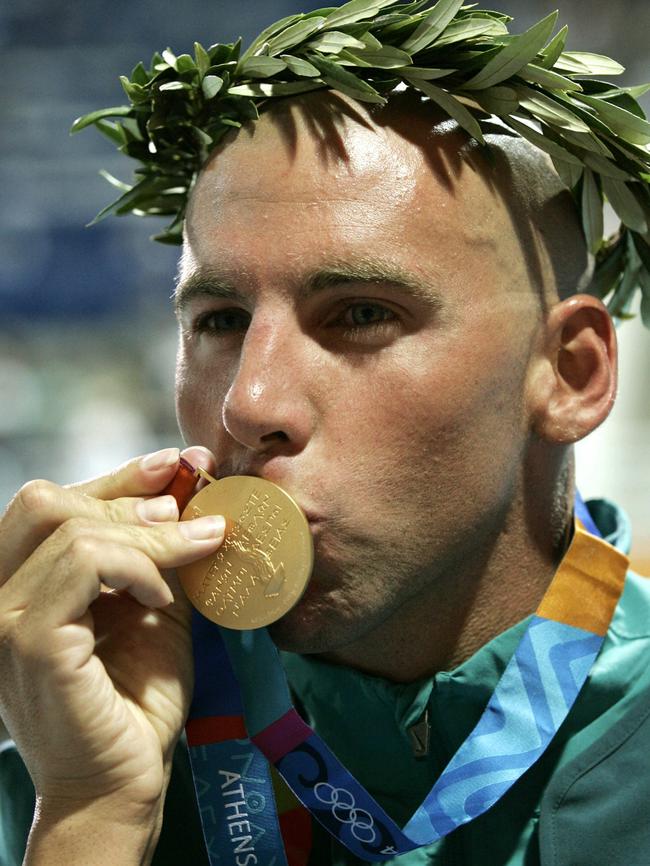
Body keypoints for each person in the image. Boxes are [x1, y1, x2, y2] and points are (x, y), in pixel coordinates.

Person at [1, 11, 650, 866]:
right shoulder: (78, 749)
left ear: (569, 376)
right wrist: (93, 816)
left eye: (362, 315)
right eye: (222, 319)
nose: (248, 401)